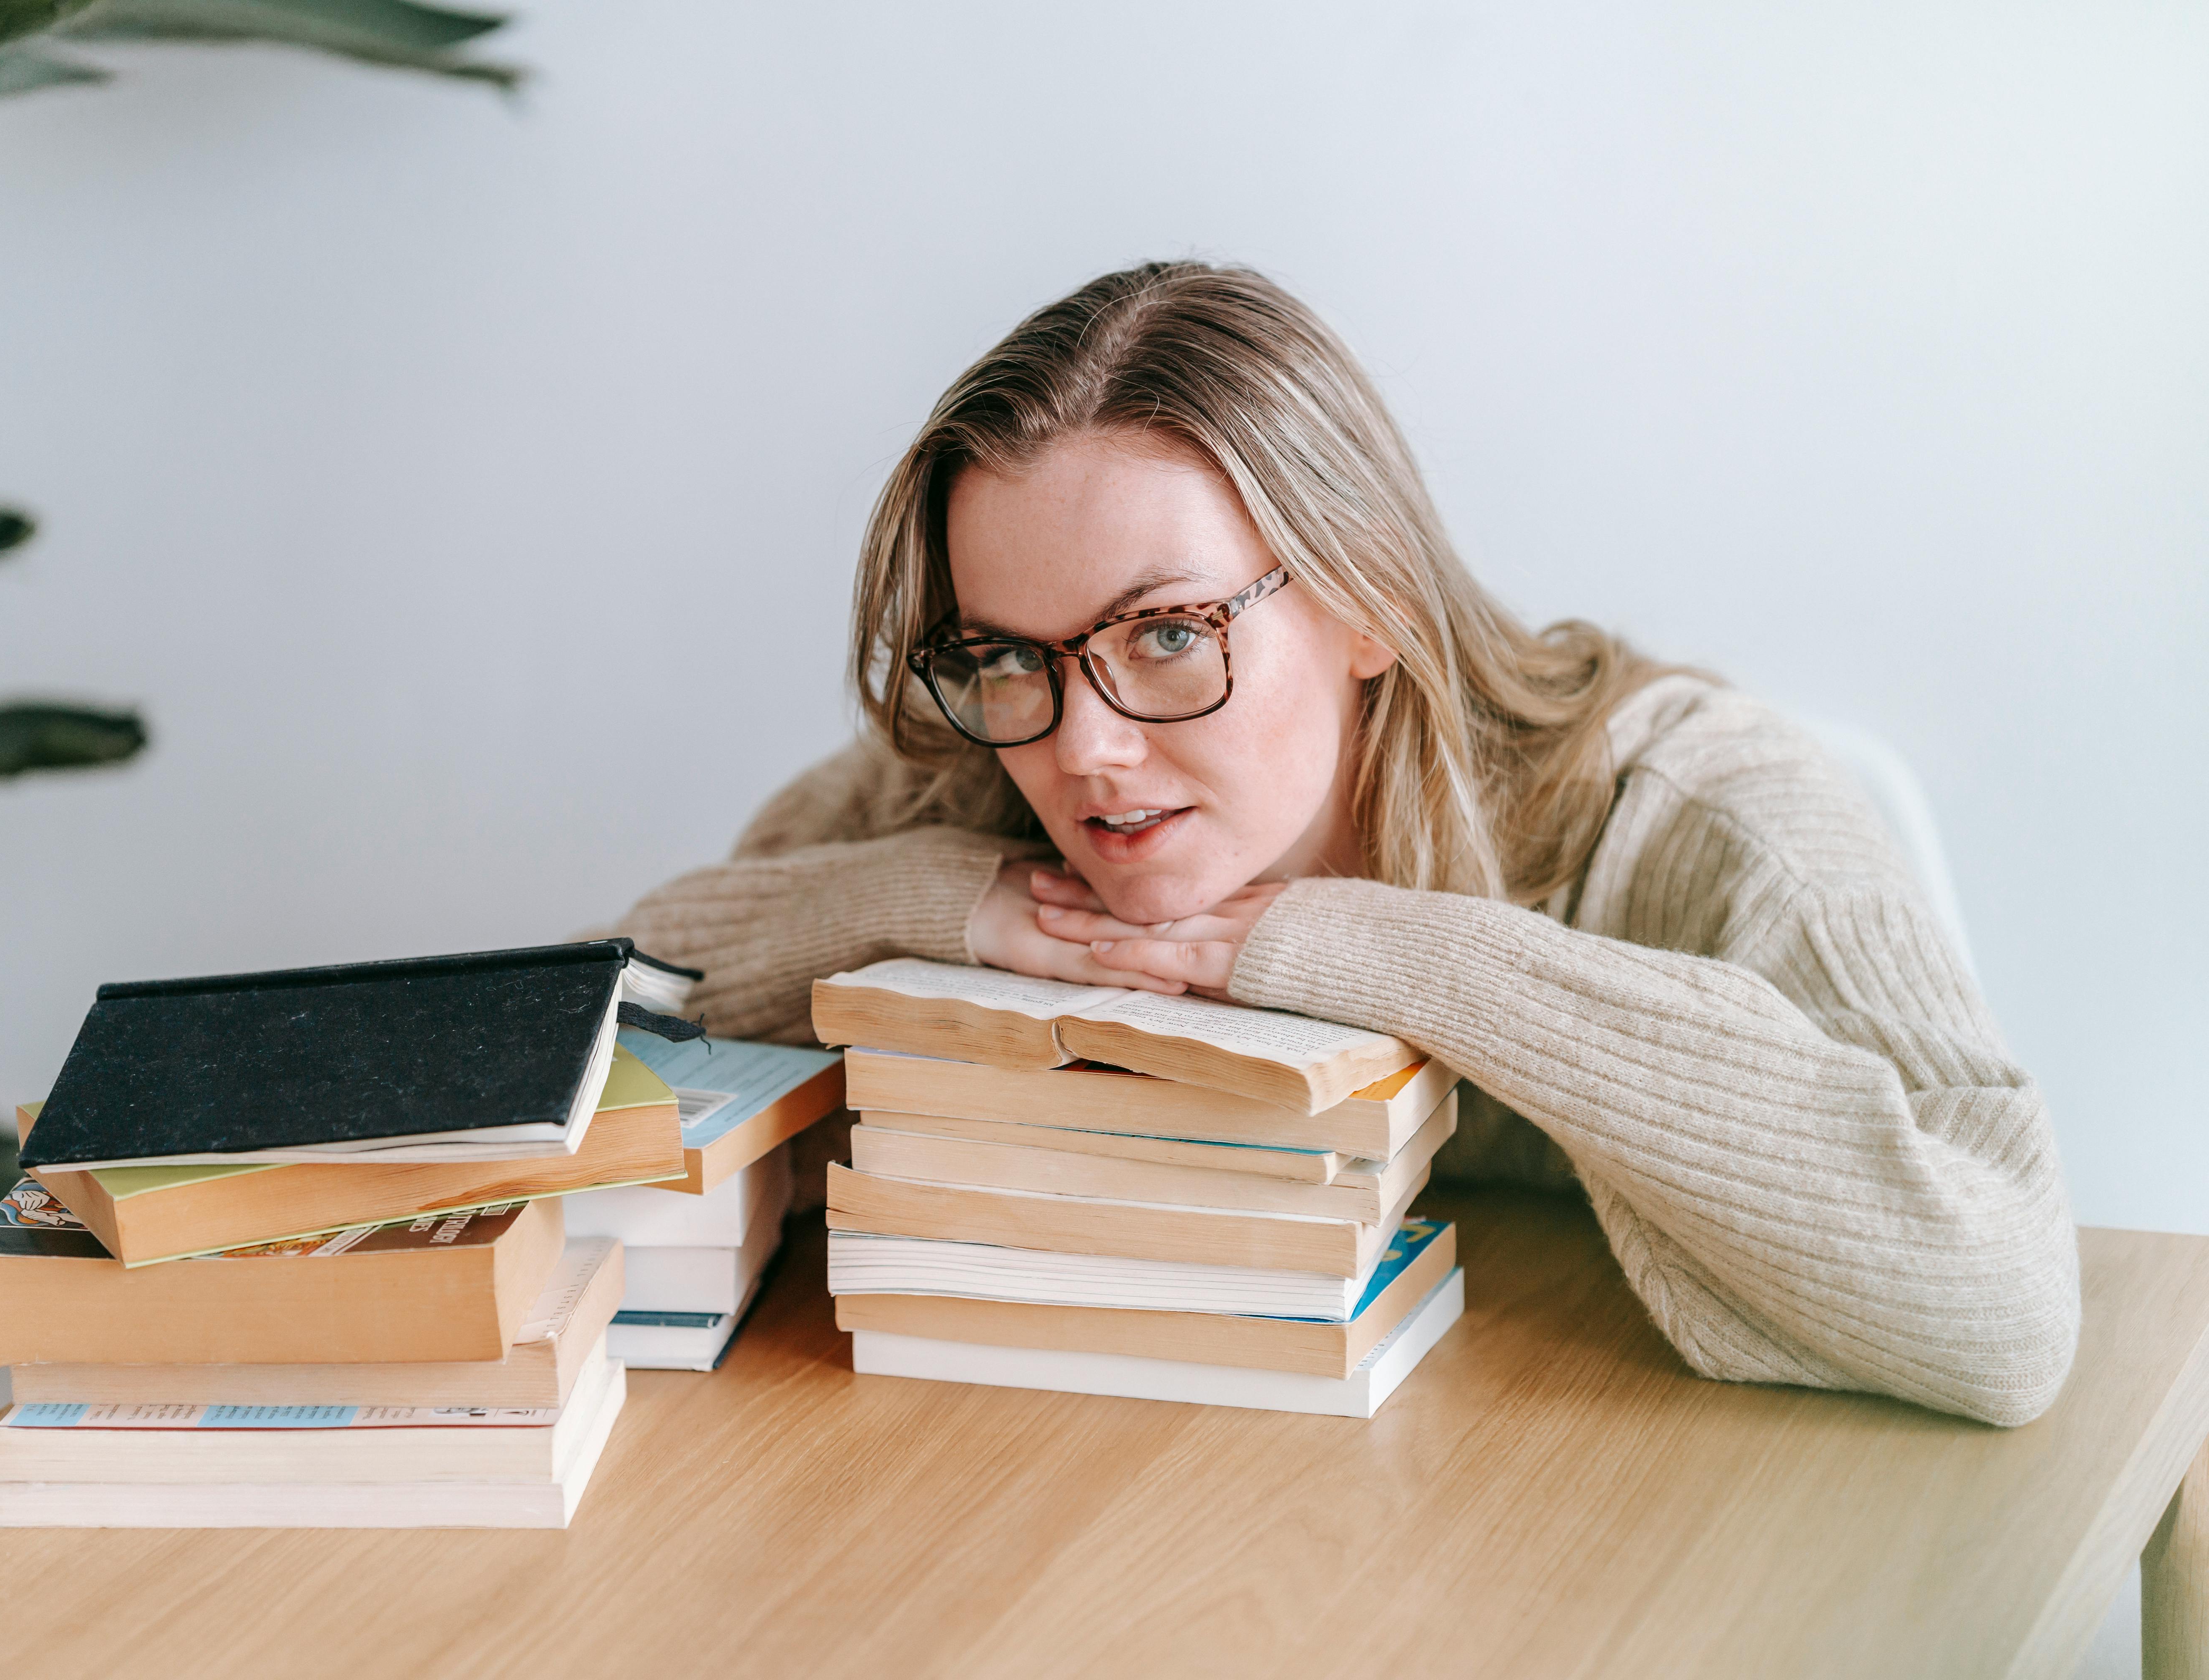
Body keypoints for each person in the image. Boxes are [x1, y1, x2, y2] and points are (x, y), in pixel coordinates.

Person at [620, 261, 2077, 1428]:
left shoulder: (1695, 811)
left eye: (1172, 632)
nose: (1082, 751)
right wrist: (939, 900)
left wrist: (1399, 958)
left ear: (1367, 594)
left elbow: (2006, 1310)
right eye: (1008, 652)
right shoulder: (976, 776)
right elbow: (596, 1016)